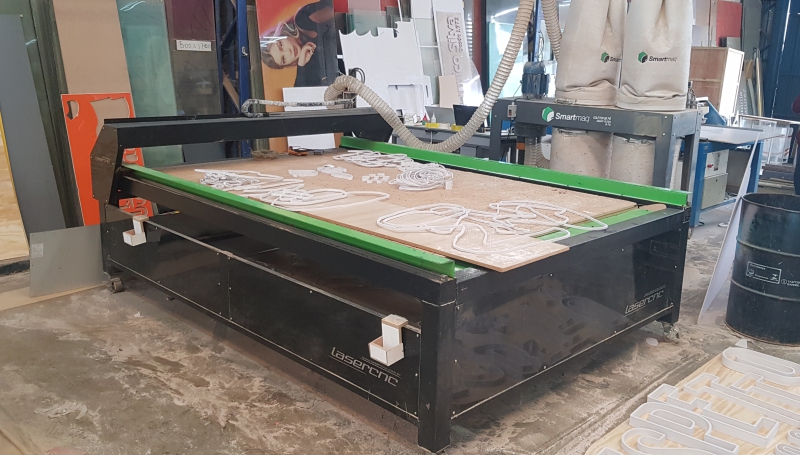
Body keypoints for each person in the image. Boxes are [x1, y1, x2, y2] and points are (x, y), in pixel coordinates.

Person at [260, 0, 337, 87]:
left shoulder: (302, 20)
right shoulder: (307, 68)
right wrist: (301, 67)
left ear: (282, 34)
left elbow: (340, 12)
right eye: (284, 59)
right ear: (288, 64)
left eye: (281, 45)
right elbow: (299, 92)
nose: (288, 52)